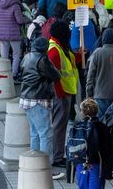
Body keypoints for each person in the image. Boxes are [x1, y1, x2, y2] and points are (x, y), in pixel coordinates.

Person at [18, 37, 64, 180]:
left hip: (26, 98)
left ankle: (35, 166)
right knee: (45, 134)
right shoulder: (42, 60)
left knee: (35, 134)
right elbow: (56, 75)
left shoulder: (27, 57)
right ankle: (46, 169)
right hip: (38, 99)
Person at [47, 20, 78, 168]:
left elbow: (69, 62)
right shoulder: (54, 51)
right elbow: (55, 77)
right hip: (61, 94)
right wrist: (60, 94)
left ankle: (58, 154)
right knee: (59, 126)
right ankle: (57, 156)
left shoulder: (59, 46)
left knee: (61, 125)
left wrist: (79, 56)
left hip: (66, 91)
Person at [68, 98, 113, 189]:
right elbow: (108, 150)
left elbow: (69, 148)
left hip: (80, 164)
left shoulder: (77, 127)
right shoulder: (102, 127)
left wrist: (69, 174)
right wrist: (108, 172)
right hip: (97, 165)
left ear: (82, 112)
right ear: (96, 111)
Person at [0, 0, 28, 78]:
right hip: (14, 34)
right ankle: (14, 74)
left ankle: (5, 75)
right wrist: (28, 20)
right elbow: (20, 20)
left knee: (4, 56)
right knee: (16, 55)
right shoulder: (15, 6)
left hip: (2, 35)